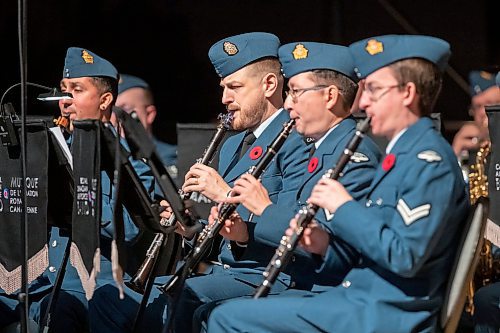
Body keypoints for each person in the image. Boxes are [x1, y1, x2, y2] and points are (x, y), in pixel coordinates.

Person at [207, 34, 469, 333]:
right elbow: (370, 246)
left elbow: (404, 256)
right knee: (224, 313)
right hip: (361, 297)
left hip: (387, 311)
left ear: (407, 93)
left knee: (226, 318)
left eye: (373, 89)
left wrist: (343, 208)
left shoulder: (427, 161)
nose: (364, 100)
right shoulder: (402, 155)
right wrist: (322, 244)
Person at [89, 32, 309, 333]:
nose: (225, 98)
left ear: (269, 85)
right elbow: (224, 234)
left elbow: (295, 229)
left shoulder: (297, 139)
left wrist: (225, 193)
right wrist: (189, 227)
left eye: (235, 87)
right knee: (108, 299)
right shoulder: (232, 145)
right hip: (223, 272)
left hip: (268, 274)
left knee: (177, 303)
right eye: (223, 88)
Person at [191, 41, 382, 331]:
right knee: (202, 311)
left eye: (295, 91)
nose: (288, 102)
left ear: (330, 96)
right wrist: (238, 232)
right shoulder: (323, 149)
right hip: (304, 282)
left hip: (328, 290)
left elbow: (330, 246)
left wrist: (263, 208)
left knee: (219, 316)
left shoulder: (352, 154)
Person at [15, 47, 153, 332]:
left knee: (61, 307)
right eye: (63, 90)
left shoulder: (127, 159)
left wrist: (76, 195)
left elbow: (129, 228)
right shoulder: (51, 147)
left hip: (92, 285)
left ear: (105, 100)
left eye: (76, 90)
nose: (65, 101)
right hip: (39, 281)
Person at [472, 71, 500, 333]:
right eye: (479, 106)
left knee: (486, 299)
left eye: (491, 106)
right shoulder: (482, 151)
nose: (485, 114)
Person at [116, 74, 178, 179]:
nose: (116, 118)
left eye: (124, 111)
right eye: (111, 111)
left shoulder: (174, 159)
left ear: (149, 114)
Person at [452, 69, 500, 158]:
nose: (482, 112)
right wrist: (455, 154)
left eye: (489, 104)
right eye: (477, 106)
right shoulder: (468, 142)